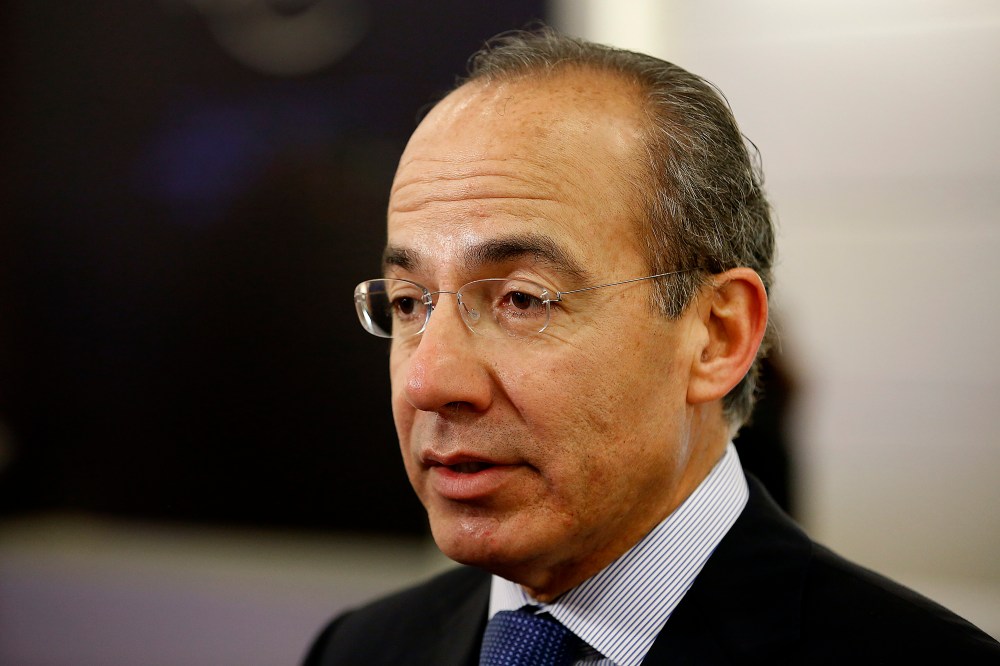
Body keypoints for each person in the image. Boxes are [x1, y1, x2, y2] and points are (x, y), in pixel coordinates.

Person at [304, 27, 999, 665]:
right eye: (409, 303)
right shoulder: (359, 649)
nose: (429, 380)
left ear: (717, 335)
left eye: (522, 299)